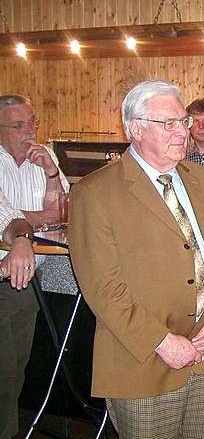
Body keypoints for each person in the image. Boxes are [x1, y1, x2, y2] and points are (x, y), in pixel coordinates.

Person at [68, 81, 204, 439]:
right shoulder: (95, 193)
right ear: (135, 128)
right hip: (143, 362)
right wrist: (163, 342)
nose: (183, 131)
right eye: (170, 123)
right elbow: (104, 289)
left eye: (183, 121)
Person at [0, 94, 69, 439]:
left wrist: (52, 174)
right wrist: (29, 225)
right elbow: (8, 218)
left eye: (33, 123)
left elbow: (61, 213)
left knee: (16, 371)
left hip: (27, 280)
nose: (29, 132)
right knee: (4, 373)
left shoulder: (43, 158)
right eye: (18, 125)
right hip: (3, 275)